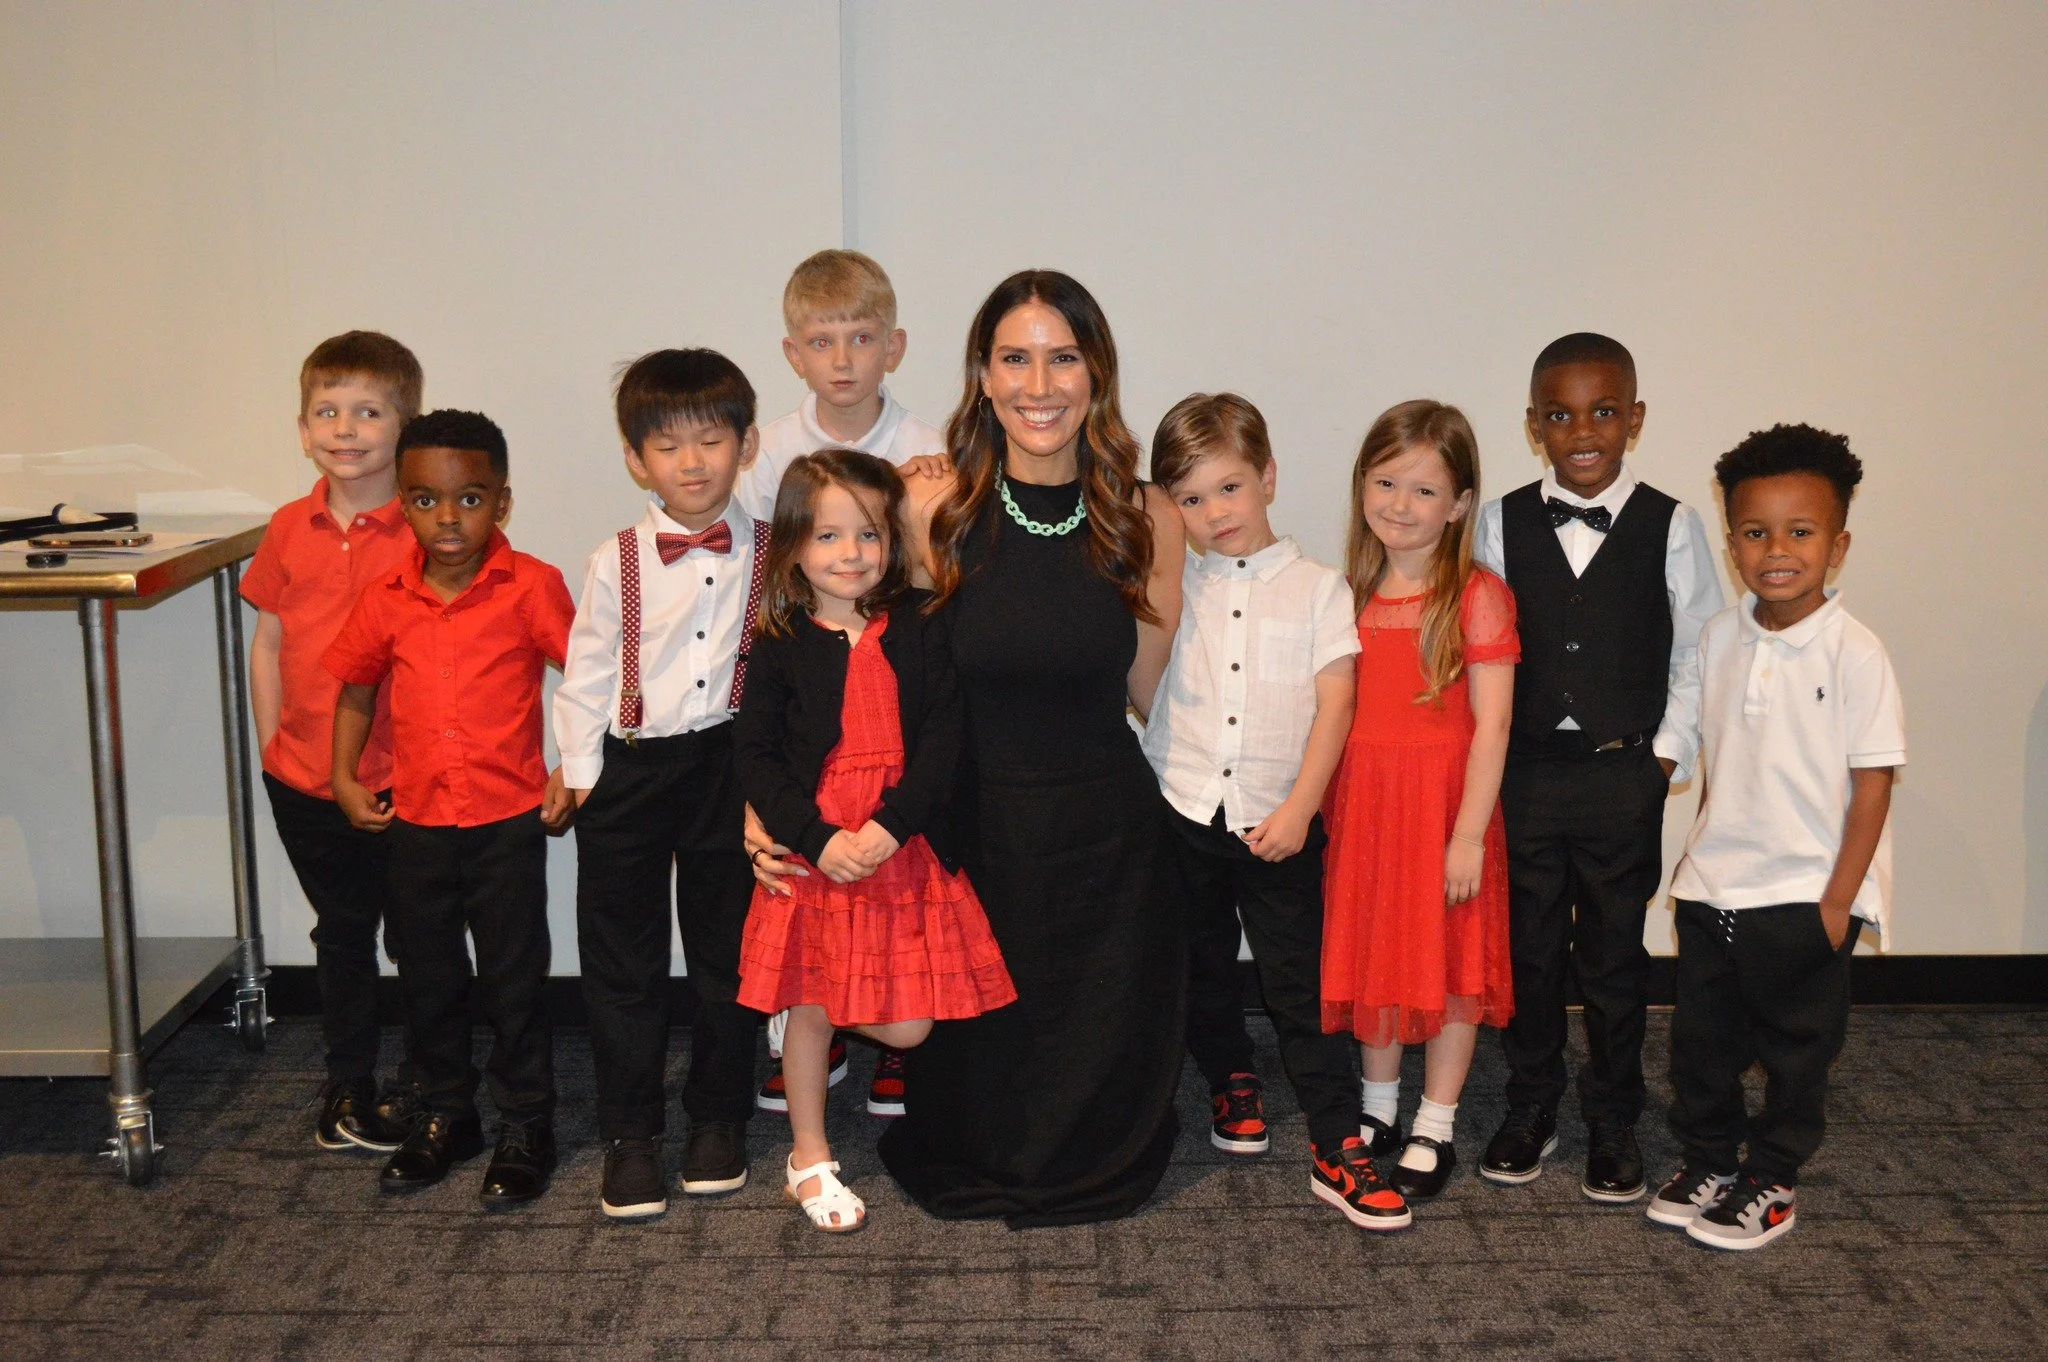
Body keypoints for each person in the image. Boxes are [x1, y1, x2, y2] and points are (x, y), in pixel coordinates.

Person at [755, 269, 1186, 1227]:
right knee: (981, 1077)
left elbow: (1151, 693)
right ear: (982, 377)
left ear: (1096, 373)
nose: (1041, 383)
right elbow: (848, 670)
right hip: (968, 831)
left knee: (1098, 1054)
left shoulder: (1146, 515)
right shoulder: (928, 508)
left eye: (1063, 357)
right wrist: (768, 806)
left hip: (1104, 836)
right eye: (1015, 358)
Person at [735, 449, 1016, 1232]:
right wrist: (815, 838)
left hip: (898, 843)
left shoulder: (923, 627)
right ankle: (808, 1155)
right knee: (818, 999)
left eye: (867, 535)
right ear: (792, 546)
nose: (850, 554)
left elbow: (943, 740)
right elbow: (755, 755)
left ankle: (800, 1026)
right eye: (827, 537)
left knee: (905, 1023)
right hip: (815, 849)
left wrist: (888, 829)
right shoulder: (781, 640)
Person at [1471, 333, 1724, 1201]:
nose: (1584, 430)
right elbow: (1483, 650)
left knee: (1615, 955)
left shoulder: (1672, 523)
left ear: (1635, 420)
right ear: (1535, 424)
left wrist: (1664, 758)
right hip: (1527, 773)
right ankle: (1531, 1101)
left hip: (1624, 773)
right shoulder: (1497, 522)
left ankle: (1614, 1114)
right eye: (1562, 414)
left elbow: (1699, 649)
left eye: (1604, 412)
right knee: (1531, 951)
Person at [1645, 425, 1901, 1250]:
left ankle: (1774, 1177)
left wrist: (1838, 905)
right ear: (1731, 544)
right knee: (1702, 1045)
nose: (1777, 550)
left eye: (1802, 531)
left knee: (1796, 1056)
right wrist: (1695, 861)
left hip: (1804, 898)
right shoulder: (1721, 638)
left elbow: (1874, 785)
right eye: (1756, 532)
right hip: (1715, 888)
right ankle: (1711, 1158)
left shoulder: (1857, 654)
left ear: (1840, 544)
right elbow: (1723, 759)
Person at [325, 409, 576, 1204]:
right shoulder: (385, 596)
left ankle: (527, 1121)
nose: (447, 519)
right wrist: (344, 776)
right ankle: (445, 1114)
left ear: (501, 502)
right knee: (428, 978)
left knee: (513, 979)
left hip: (507, 822)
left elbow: (589, 680)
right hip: (418, 824)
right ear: (402, 501)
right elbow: (357, 690)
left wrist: (573, 768)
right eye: (425, 501)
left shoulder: (531, 585)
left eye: (469, 499)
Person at [552, 349, 770, 1220]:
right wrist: (580, 774)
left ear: (746, 445)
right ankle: (629, 1133)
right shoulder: (617, 558)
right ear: (636, 459)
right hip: (632, 770)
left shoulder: (779, 548)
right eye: (667, 446)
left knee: (727, 956)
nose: (692, 463)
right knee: (623, 964)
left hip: (729, 767)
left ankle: (718, 1117)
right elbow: (588, 669)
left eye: (711, 440)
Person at [1139, 394, 1367, 1211]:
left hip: (1280, 818)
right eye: (1191, 500)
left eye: (1228, 489)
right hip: (1185, 806)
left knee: (1296, 980)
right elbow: (1146, 685)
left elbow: (1335, 703)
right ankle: (1231, 1076)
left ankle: (1338, 1136)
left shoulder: (1319, 588)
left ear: (1268, 478)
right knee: (1199, 964)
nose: (1213, 514)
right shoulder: (1174, 586)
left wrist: (1304, 808)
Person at [741, 248, 950, 1118]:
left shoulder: (932, 451)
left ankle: (877, 1031)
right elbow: (759, 597)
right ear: (794, 353)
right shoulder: (767, 457)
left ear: (893, 347)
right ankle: (809, 1028)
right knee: (801, 908)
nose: (842, 360)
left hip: (892, 698)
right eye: (822, 342)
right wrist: (761, 808)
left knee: (897, 907)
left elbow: (940, 586)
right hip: (800, 711)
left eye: (861, 339)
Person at [1321, 400, 1518, 1225]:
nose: (1400, 504)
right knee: (1379, 956)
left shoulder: (1474, 595)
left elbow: (1494, 722)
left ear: (1462, 504)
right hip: (1367, 808)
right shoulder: (1348, 592)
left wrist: (1468, 833)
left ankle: (1435, 1119)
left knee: (1449, 967)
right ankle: (1377, 1104)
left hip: (1443, 813)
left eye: (1425, 490)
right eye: (1386, 482)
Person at [241, 330, 423, 1153]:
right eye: (327, 411)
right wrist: (273, 748)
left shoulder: (429, 527)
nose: (345, 429)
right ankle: (348, 1081)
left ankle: (430, 1080)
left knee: (421, 931)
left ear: (403, 424)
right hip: (305, 776)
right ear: (303, 425)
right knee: (342, 931)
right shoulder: (287, 528)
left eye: (368, 411)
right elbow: (270, 644)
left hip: (408, 775)